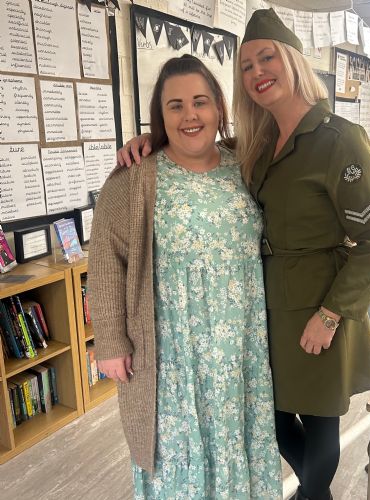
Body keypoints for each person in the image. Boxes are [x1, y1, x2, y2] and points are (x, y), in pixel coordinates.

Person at [118, 10, 370, 500]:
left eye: (267, 58)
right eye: (246, 66)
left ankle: (313, 496)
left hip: (319, 304)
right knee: (270, 418)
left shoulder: (340, 140)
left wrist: (331, 314)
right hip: (264, 309)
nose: (257, 72)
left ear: (293, 61)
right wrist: (151, 140)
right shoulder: (256, 143)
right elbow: (197, 143)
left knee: (320, 425)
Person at [87, 54, 282, 500]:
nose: (189, 115)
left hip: (241, 351)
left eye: (200, 102)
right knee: (179, 458)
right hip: (174, 358)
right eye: (175, 106)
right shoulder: (135, 177)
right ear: (161, 116)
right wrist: (111, 343)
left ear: (218, 108)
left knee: (239, 441)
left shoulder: (246, 163)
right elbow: (105, 262)